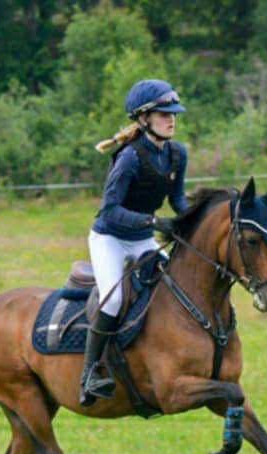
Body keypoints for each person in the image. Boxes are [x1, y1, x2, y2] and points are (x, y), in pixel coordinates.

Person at [80, 79, 188, 406]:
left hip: (142, 240)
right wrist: (152, 222)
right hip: (110, 239)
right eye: (164, 114)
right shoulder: (129, 157)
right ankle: (89, 373)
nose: (171, 120)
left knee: (175, 288)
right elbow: (110, 210)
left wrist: (195, 218)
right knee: (113, 301)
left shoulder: (177, 154)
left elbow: (178, 200)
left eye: (173, 114)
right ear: (144, 119)